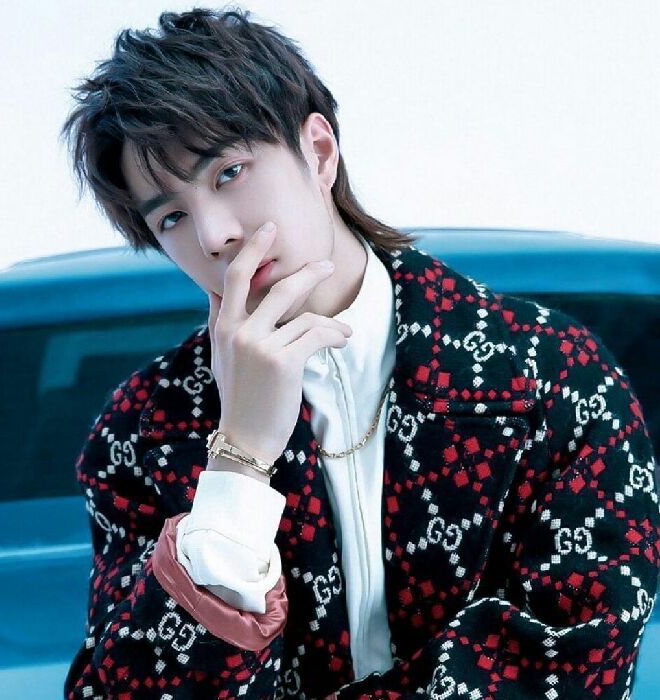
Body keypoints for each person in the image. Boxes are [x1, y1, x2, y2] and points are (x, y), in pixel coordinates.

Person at [60, 6, 659, 699]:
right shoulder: (141, 431)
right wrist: (239, 457)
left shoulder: (551, 372)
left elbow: (571, 662)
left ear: (318, 152)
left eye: (228, 172)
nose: (214, 234)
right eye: (171, 216)